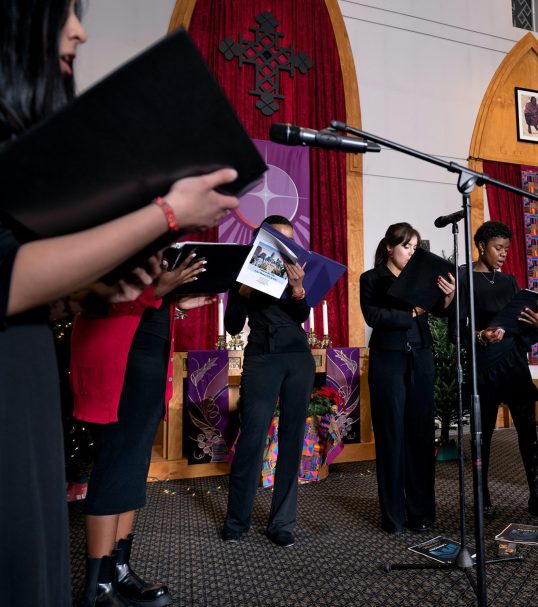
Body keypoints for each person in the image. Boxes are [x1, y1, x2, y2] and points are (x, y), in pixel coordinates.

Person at [0, 2, 238, 605]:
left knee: (40, 553)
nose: (79, 30)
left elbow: (43, 289)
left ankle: (114, 571)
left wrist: (102, 286)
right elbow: (7, 274)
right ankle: (103, 575)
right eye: (65, 13)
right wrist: (169, 213)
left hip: (33, 363)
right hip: (26, 373)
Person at [70, 255, 210, 607]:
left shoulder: (160, 240)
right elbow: (88, 292)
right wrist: (155, 291)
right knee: (116, 463)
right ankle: (97, 589)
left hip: (150, 355)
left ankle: (119, 570)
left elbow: (149, 299)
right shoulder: (118, 229)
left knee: (133, 466)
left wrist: (174, 301)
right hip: (120, 359)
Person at [456, 220, 538, 522]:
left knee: (528, 430)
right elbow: (455, 330)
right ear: (482, 246)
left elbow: (524, 329)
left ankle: (536, 496)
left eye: (506, 249)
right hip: (484, 365)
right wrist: (480, 335)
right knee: (482, 434)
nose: (503, 254)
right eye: (498, 248)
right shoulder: (464, 279)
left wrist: (537, 325)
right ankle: (483, 496)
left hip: (514, 362)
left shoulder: (511, 281)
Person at [222, 215, 314, 548]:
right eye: (278, 239)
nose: (285, 247)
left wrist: (298, 289)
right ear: (262, 240)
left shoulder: (297, 272)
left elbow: (302, 316)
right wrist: (243, 292)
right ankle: (237, 520)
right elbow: (233, 326)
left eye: (290, 241)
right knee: (252, 438)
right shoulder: (242, 274)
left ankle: (282, 523)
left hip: (297, 357)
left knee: (293, 438)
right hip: (261, 357)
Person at [359, 222, 455, 534]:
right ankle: (394, 516)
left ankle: (422, 513)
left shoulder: (421, 276)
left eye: (415, 247)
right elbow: (373, 316)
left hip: (421, 357)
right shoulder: (372, 278)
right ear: (390, 247)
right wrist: (411, 313)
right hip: (388, 359)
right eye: (406, 246)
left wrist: (447, 297)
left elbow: (439, 313)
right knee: (391, 436)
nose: (411, 252)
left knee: (420, 435)